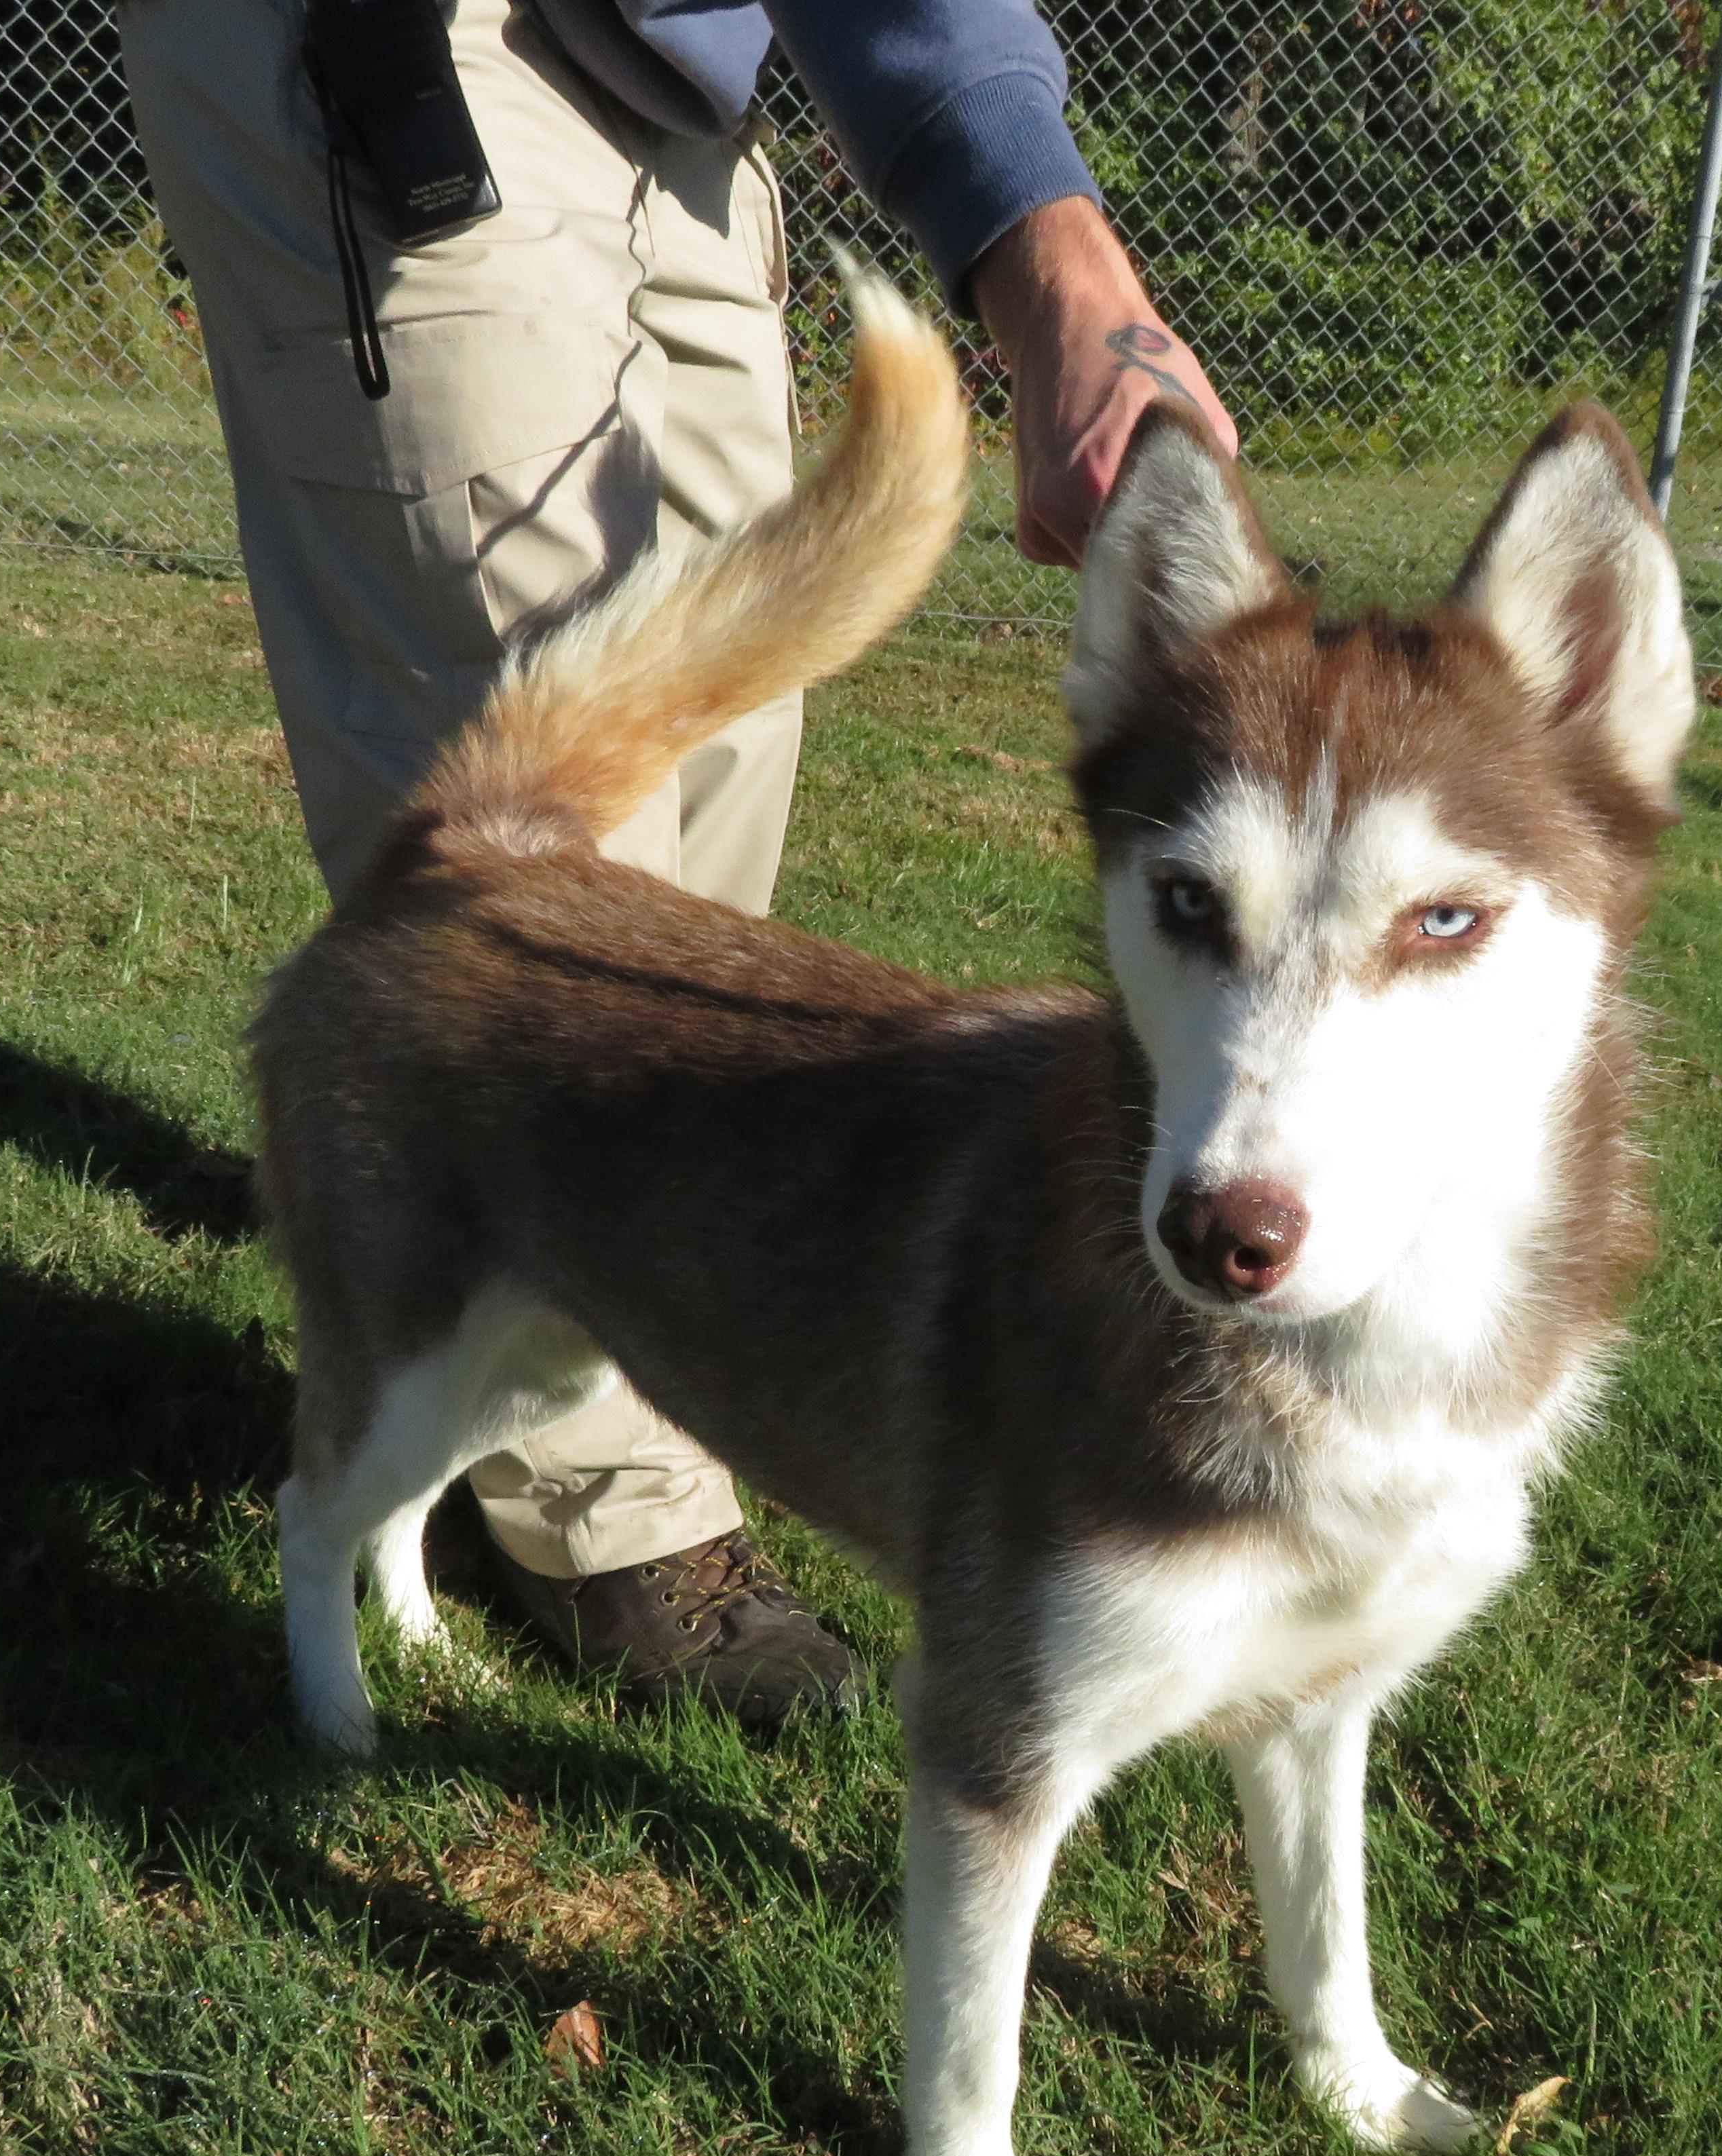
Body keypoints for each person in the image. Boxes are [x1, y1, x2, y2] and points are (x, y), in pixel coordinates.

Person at [121, 0, 1238, 1728]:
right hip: (391, 41)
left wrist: (1049, 257)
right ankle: (600, 1508)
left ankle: (592, 1347)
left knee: (696, 771)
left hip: (672, 67)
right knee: (537, 849)